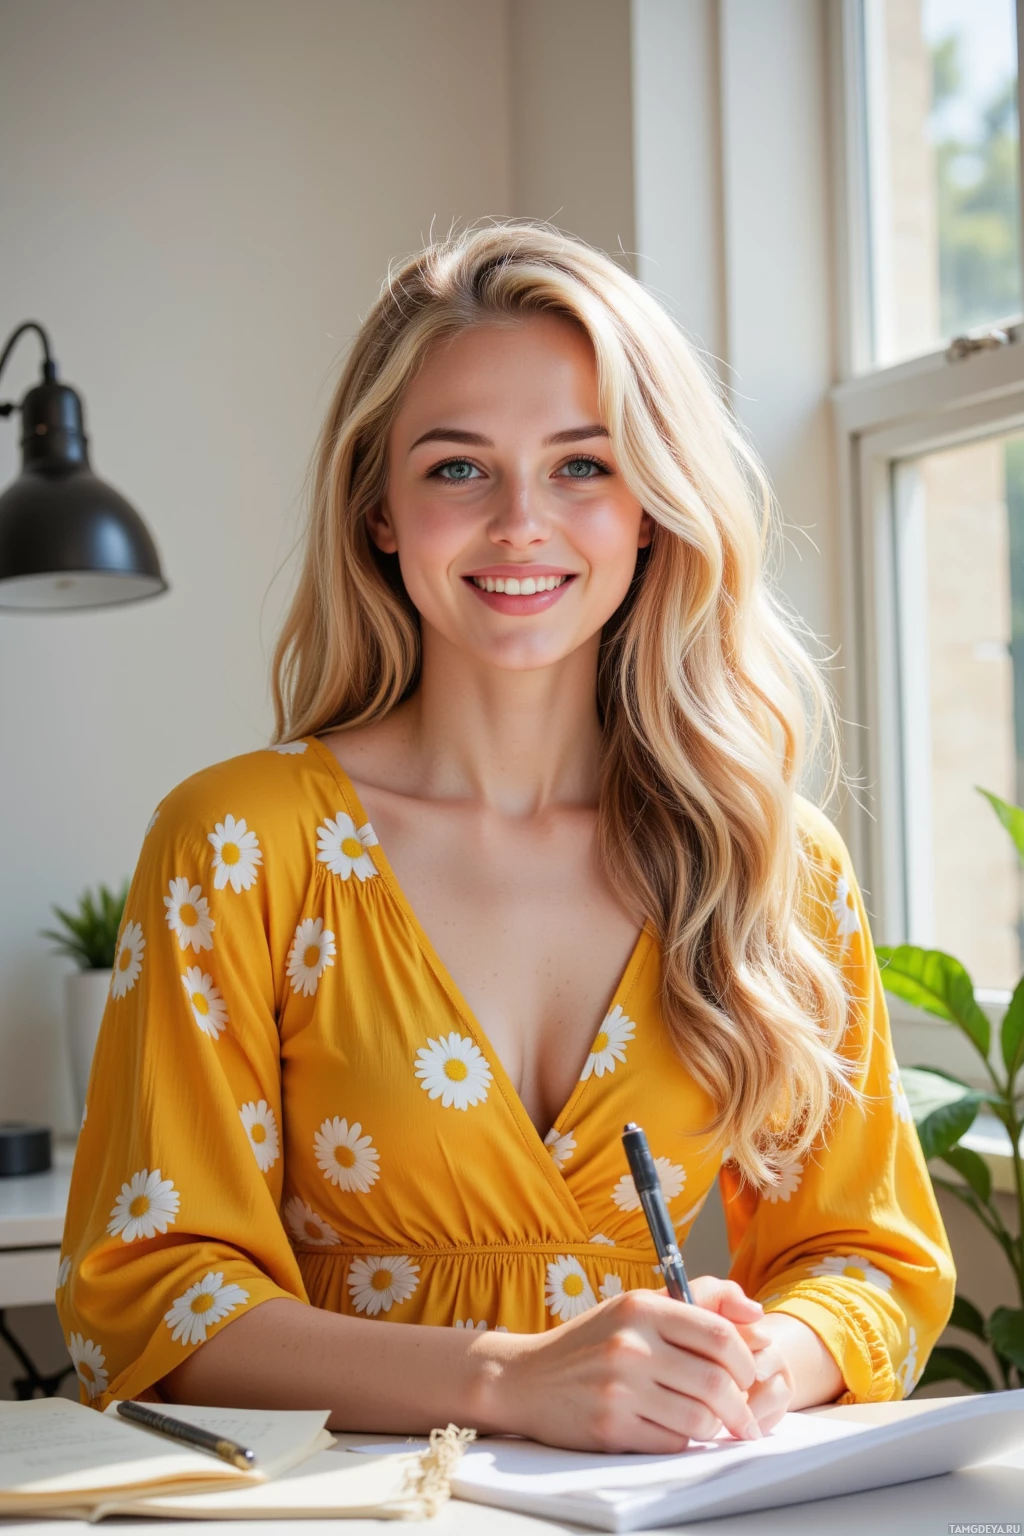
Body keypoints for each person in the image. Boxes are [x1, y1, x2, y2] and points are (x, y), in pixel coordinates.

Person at [56, 221, 954, 1452]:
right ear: (379, 511)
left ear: (652, 509)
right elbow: (143, 1301)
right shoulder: (236, 844)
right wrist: (504, 1377)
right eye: (458, 469)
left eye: (583, 466)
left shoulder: (769, 860)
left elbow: (872, 1262)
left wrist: (756, 1367)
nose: (522, 522)